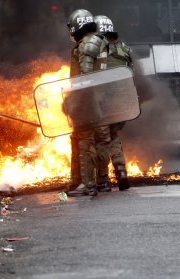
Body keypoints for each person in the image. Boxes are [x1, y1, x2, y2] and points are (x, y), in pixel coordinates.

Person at [65, 9, 109, 197]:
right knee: (94, 140)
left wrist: (74, 103)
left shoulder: (87, 44)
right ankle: (95, 181)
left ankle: (88, 185)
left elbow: (85, 78)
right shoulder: (98, 40)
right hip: (101, 100)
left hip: (88, 101)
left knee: (84, 141)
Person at [93, 15, 133, 191]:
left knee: (101, 139)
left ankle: (102, 180)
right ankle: (121, 170)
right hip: (123, 102)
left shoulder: (96, 51)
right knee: (113, 135)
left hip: (103, 102)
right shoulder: (124, 49)